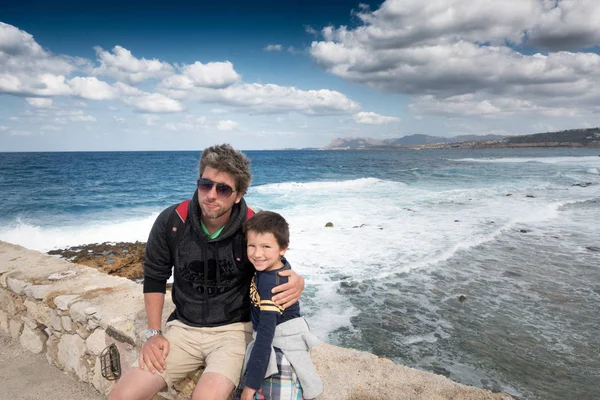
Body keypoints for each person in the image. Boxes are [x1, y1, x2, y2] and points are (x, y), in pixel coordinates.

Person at [109, 144, 305, 400]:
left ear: (238, 194)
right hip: (182, 330)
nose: (211, 195)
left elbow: (273, 260)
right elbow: (155, 277)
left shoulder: (252, 224)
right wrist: (154, 333)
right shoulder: (173, 221)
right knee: (121, 396)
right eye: (205, 184)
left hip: (234, 333)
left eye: (223, 188)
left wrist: (297, 280)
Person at [234, 211, 323, 400]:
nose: (257, 254)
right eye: (252, 246)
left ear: (283, 248)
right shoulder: (277, 266)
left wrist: (252, 384)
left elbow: (266, 336)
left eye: (266, 246)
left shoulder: (270, 285)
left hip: (280, 347)